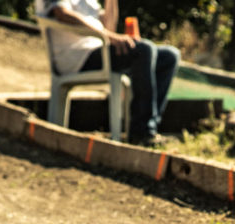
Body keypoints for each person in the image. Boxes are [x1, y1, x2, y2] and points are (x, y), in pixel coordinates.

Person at [37, 0, 180, 146]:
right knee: (143, 50)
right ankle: (142, 133)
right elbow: (61, 13)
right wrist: (109, 36)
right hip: (77, 57)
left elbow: (109, 26)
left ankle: (148, 127)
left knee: (169, 56)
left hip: (100, 50)